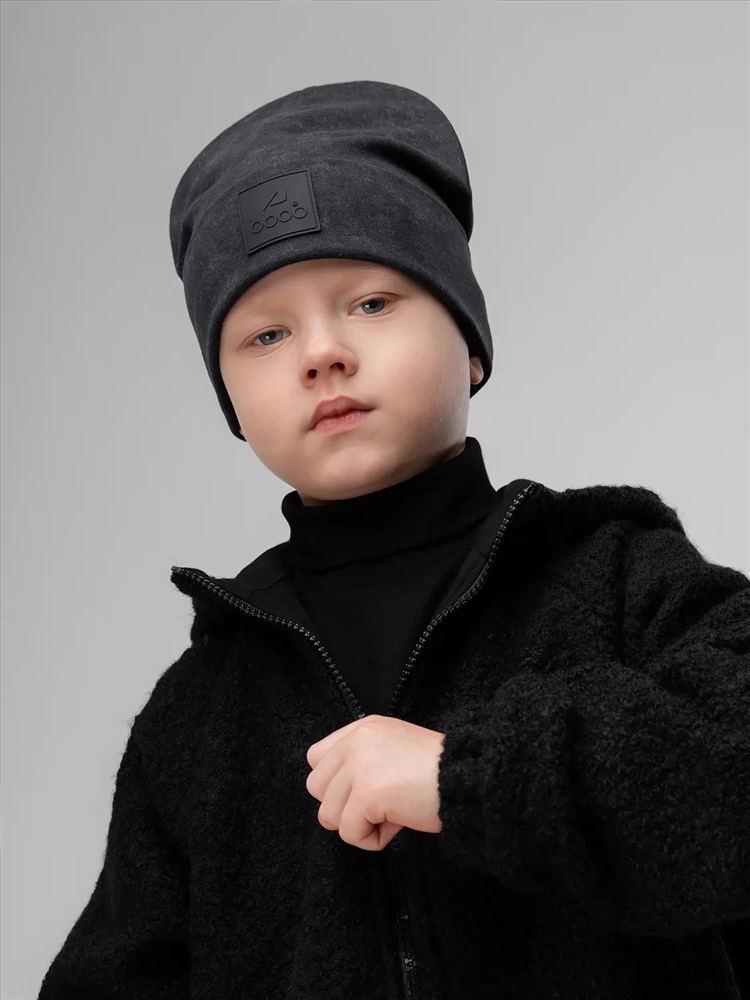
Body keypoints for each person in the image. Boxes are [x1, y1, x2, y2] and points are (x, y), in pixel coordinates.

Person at [38, 80, 749, 1000]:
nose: (321, 353)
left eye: (371, 302)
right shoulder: (197, 716)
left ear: (472, 343)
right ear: (233, 405)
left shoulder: (620, 579)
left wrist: (469, 777)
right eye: (265, 334)